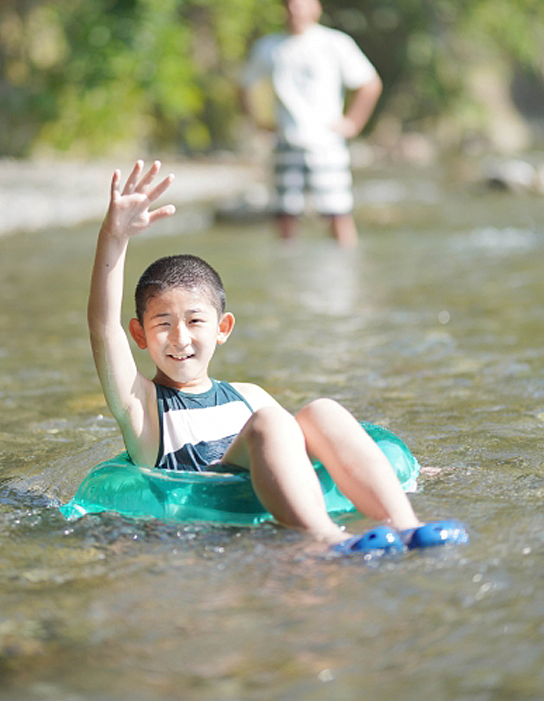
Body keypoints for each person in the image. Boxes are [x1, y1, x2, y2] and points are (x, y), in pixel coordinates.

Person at [88, 159, 468, 553]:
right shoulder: (143, 408)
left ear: (222, 328)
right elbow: (103, 328)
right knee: (270, 420)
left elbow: (296, 449)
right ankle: (328, 539)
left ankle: (407, 526)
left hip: (265, 482)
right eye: (163, 324)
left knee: (321, 410)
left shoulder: (247, 396)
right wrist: (114, 236)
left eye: (195, 320)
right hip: (210, 512)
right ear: (139, 335)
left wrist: (414, 468)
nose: (180, 337)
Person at [240, 0, 383, 247]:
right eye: (289, 2)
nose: (295, 8)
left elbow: (370, 83)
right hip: (287, 140)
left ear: (316, 5)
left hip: (327, 142)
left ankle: (346, 262)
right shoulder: (269, 46)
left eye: (301, 1)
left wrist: (353, 122)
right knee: (285, 213)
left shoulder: (335, 42)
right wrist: (259, 122)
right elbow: (244, 85)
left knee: (338, 212)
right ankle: (287, 265)